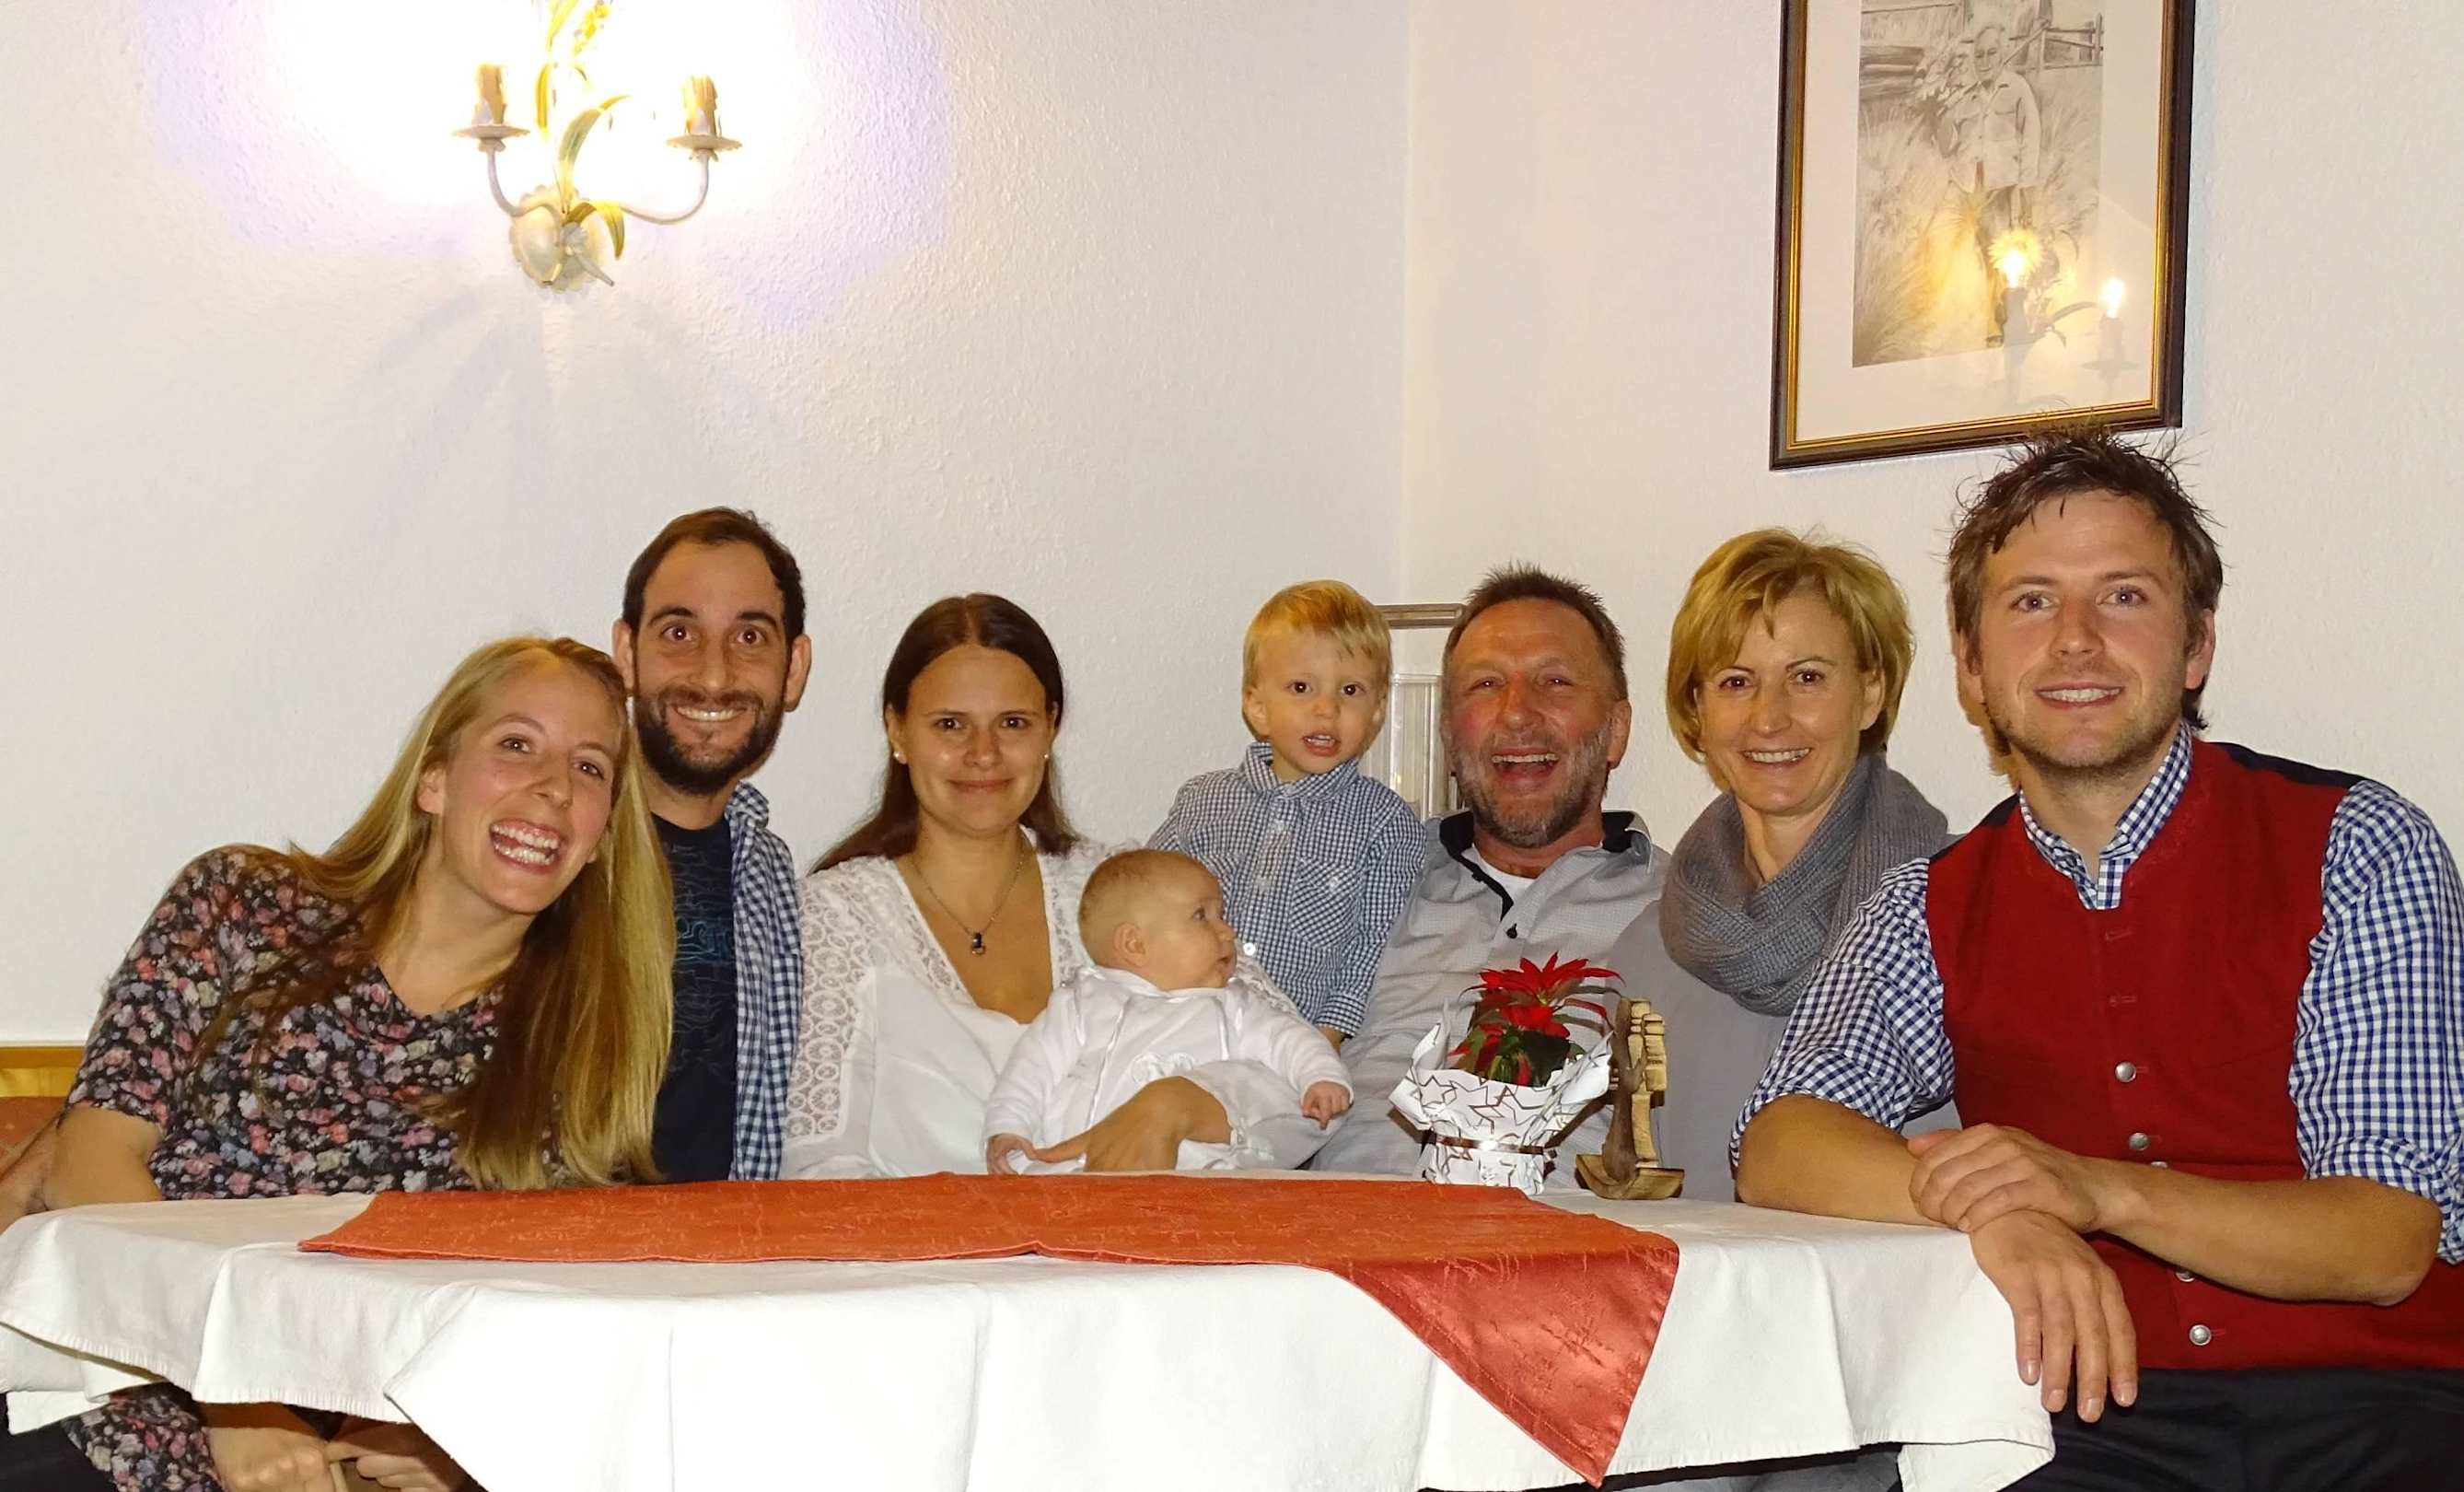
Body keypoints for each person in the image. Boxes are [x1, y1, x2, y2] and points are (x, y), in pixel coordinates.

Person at [1736, 430, 2464, 1490]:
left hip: (2384, 1413)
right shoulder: (1926, 902)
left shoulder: (2360, 845)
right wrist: (1999, 1210)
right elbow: (1781, 1143)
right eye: (2031, 602)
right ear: (1973, 666)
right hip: (2090, 1427)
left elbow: (2386, 1240)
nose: (2075, 640)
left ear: (2196, 646)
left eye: (2123, 597)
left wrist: (2095, 1193)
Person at [12, 636, 673, 1492]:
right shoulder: (241, 903)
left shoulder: (580, 1052)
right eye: (517, 744)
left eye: (589, 768)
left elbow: (545, 1320)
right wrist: (238, 1399)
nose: (554, 787)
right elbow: (87, 1160)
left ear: (601, 836)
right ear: (433, 781)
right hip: (106, 1399)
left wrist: (452, 1440)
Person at [781, 595, 1331, 1179]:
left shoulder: (1122, 887)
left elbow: (1310, 1093)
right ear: (897, 730)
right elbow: (816, 1160)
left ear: (1051, 727)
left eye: (1013, 723)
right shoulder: (836, 917)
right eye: (950, 725)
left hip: (1144, 1234)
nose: (983, 753)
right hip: (919, 1238)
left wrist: (1181, 1105)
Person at [1609, 530, 1951, 1201]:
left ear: (1871, 692)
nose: (1769, 719)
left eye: (1808, 678)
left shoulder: (1961, 914)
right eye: (1736, 682)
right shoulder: (1646, 953)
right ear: (1697, 709)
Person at [1314, 567, 1656, 1182]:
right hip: (1338, 1228)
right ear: (1449, 737)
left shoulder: (1686, 916)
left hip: (1561, 1237)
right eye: (1486, 684)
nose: (1517, 713)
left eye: (1555, 681)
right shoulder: (1355, 879)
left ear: (1616, 730)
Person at [612, 508, 810, 1183]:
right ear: (626, 652)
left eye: (749, 637)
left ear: (794, 669)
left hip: (736, 1245)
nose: (715, 676)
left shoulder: (775, 879)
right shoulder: (554, 849)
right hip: (567, 1244)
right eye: (679, 633)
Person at [1148, 580, 1427, 1044]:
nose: (1326, 709)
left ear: (1377, 711)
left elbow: (1372, 949)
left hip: (1288, 1048)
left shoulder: (1384, 823)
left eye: (1351, 690)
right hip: (1180, 1028)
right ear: (1257, 706)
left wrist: (1324, 1042)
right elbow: (1145, 900)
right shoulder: (1202, 802)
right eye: (1301, 687)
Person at [984, 849, 1352, 1173]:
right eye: (1201, 916)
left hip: (1196, 1170)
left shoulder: (1233, 1005)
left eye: (1221, 915)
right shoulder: (1082, 1002)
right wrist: (1008, 1128)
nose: (1227, 931)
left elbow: (1288, 1039)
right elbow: (1031, 1070)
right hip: (1078, 1163)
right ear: (1135, 944)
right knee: (1037, 1182)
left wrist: (1319, 1076)